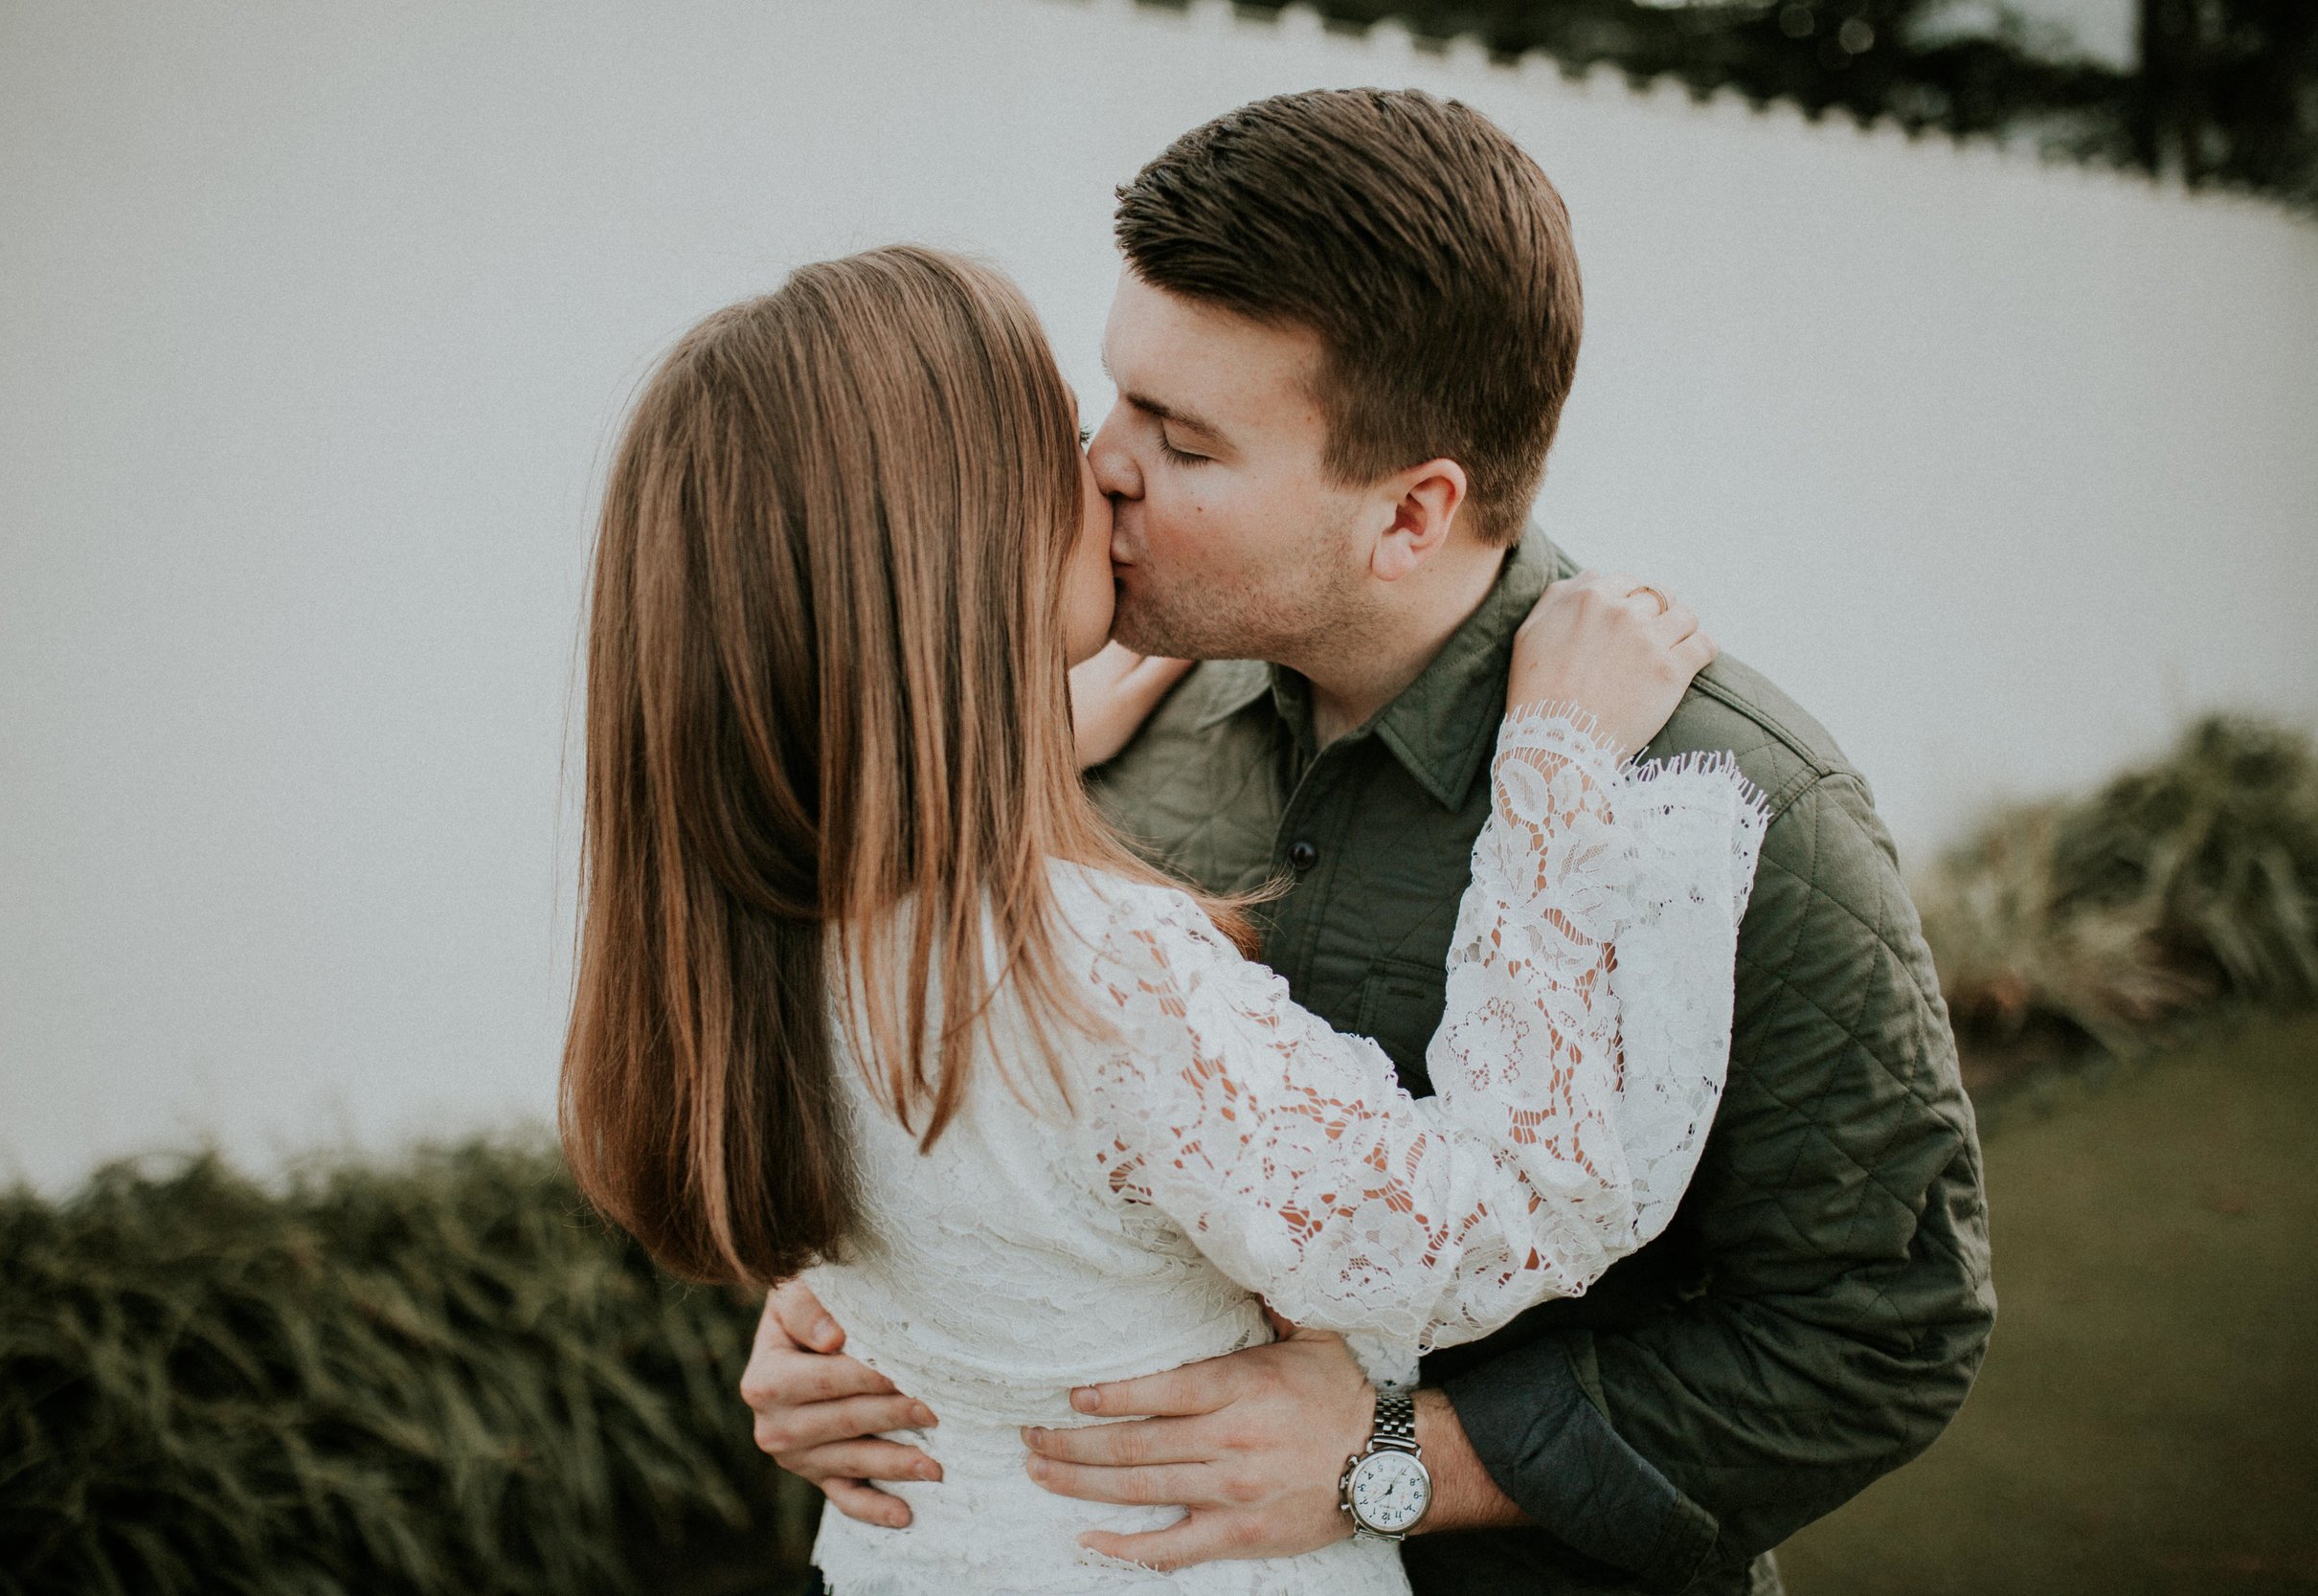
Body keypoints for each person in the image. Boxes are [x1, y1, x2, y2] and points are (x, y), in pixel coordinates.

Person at [742, 89, 1994, 1596]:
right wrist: (862, 1319)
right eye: (1118, 396)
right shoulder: (1097, 739)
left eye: (1186, 446)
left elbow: (1882, 1333)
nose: (1100, 467)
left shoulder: (1718, 809)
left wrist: (1407, 1457)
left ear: (1412, 515)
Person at [561, 237, 1764, 1596]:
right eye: (1064, 438)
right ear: (968, 561)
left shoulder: (742, 926)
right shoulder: (1104, 978)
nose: (1109, 471)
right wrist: (1554, 770)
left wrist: (1017, 738)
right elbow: (1502, 1216)